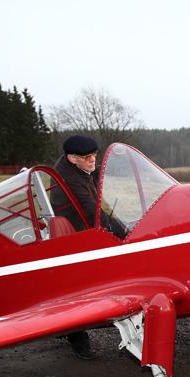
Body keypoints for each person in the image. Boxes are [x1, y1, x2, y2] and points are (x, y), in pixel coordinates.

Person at [52, 135, 122, 360]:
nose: (92, 160)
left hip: (78, 227)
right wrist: (123, 234)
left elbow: (95, 174)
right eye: (87, 157)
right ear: (72, 158)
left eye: (95, 155)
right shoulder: (70, 179)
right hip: (72, 236)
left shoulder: (77, 168)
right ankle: (75, 334)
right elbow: (93, 211)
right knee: (74, 284)